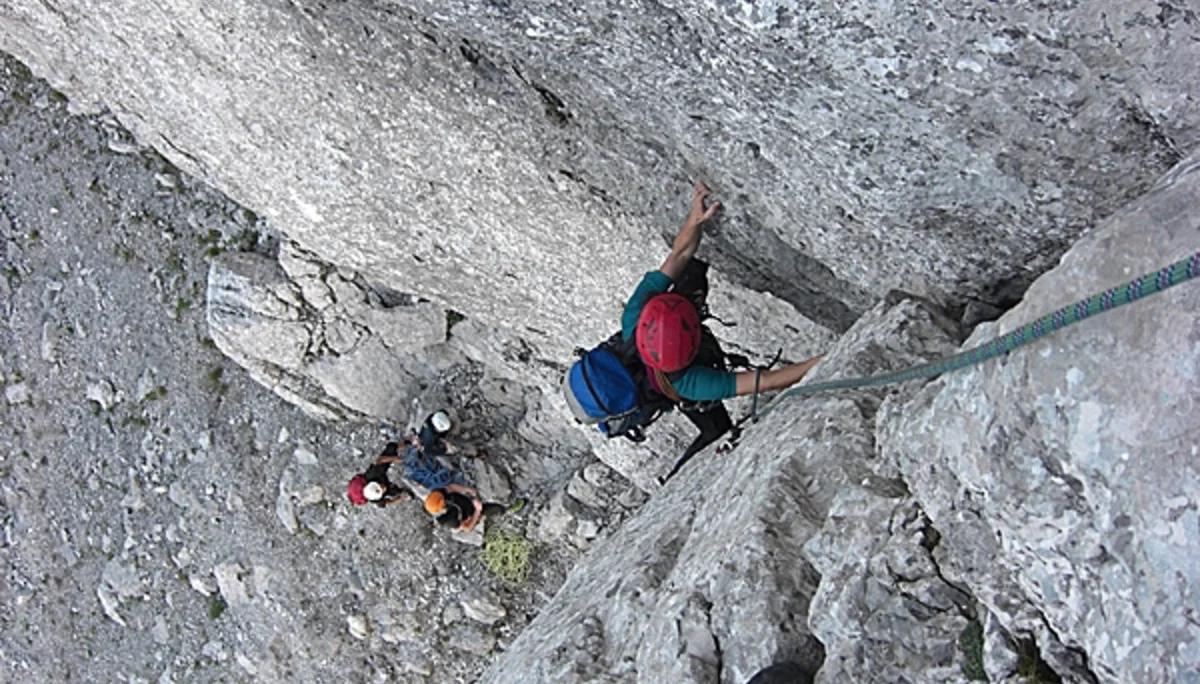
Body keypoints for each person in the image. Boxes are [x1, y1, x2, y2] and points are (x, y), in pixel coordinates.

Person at [569, 182, 824, 482]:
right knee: (716, 431)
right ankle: (676, 480)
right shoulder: (691, 383)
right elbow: (766, 381)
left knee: (691, 272)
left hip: (659, 353)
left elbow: (679, 255)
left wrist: (695, 219)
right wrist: (828, 360)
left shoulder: (637, 315)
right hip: (674, 387)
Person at [423, 486, 508, 533]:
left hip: (463, 500)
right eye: (444, 503)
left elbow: (451, 488)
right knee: (494, 508)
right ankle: (504, 509)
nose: (445, 500)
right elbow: (468, 529)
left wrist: (469, 490)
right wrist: (477, 511)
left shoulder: (436, 496)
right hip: (469, 513)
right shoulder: (449, 521)